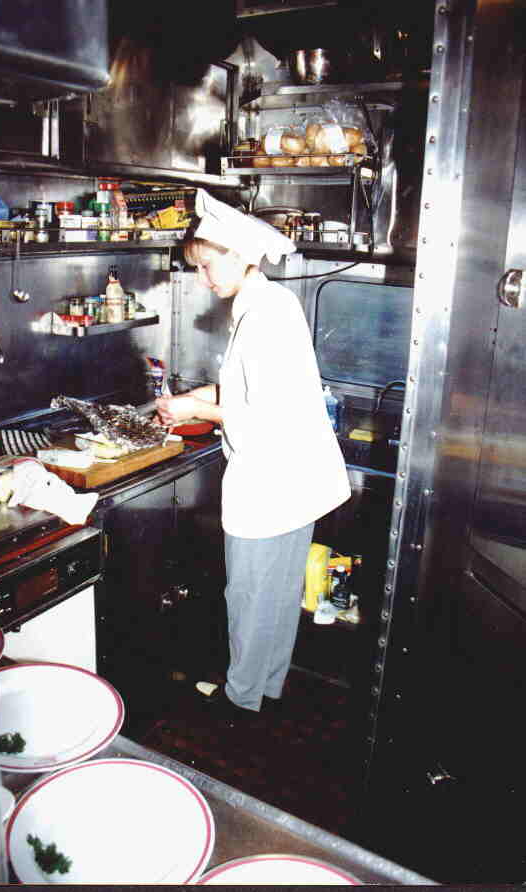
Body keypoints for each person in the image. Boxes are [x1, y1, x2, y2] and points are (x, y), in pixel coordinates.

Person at [156, 188, 350, 719]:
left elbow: (259, 413)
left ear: (242, 257)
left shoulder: (262, 314)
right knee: (279, 594)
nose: (203, 278)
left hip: (270, 483)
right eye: (197, 267)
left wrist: (194, 412)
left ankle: (239, 703)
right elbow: (251, 392)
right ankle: (265, 689)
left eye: (208, 264)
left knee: (248, 596)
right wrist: (195, 399)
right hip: (295, 480)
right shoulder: (268, 304)